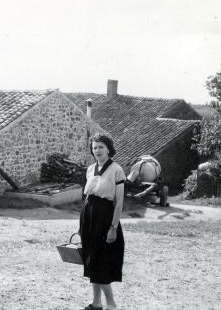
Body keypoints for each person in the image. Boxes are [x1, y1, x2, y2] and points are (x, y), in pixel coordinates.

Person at [80, 133, 126, 310]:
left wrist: (113, 227)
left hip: (105, 217)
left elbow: (119, 202)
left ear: (108, 149)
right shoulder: (90, 169)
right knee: (91, 260)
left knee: (101, 261)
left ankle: (111, 304)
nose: (97, 150)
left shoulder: (116, 170)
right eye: (94, 147)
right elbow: (87, 196)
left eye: (100, 147)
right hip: (89, 215)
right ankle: (96, 303)